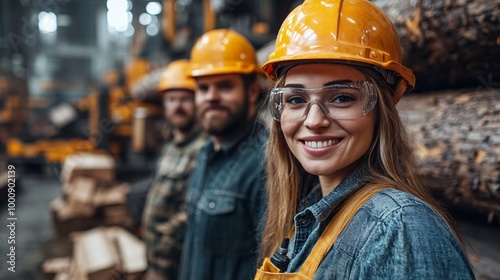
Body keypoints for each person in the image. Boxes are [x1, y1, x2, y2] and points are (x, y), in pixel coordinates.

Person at [256, 0, 476, 279]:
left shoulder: (400, 229)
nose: (313, 120)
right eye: (296, 99)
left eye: (342, 98)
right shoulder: (308, 216)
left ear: (380, 111)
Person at [179, 29, 269, 280]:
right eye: (203, 88)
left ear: (251, 92)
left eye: (225, 86)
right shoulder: (207, 153)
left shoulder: (266, 164)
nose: (212, 97)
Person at [142, 59, 207, 280]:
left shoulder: (203, 149)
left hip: (176, 266)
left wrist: (160, 265)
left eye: (185, 99)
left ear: (198, 102)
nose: (177, 106)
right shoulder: (171, 146)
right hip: (155, 258)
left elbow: (188, 215)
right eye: (171, 99)